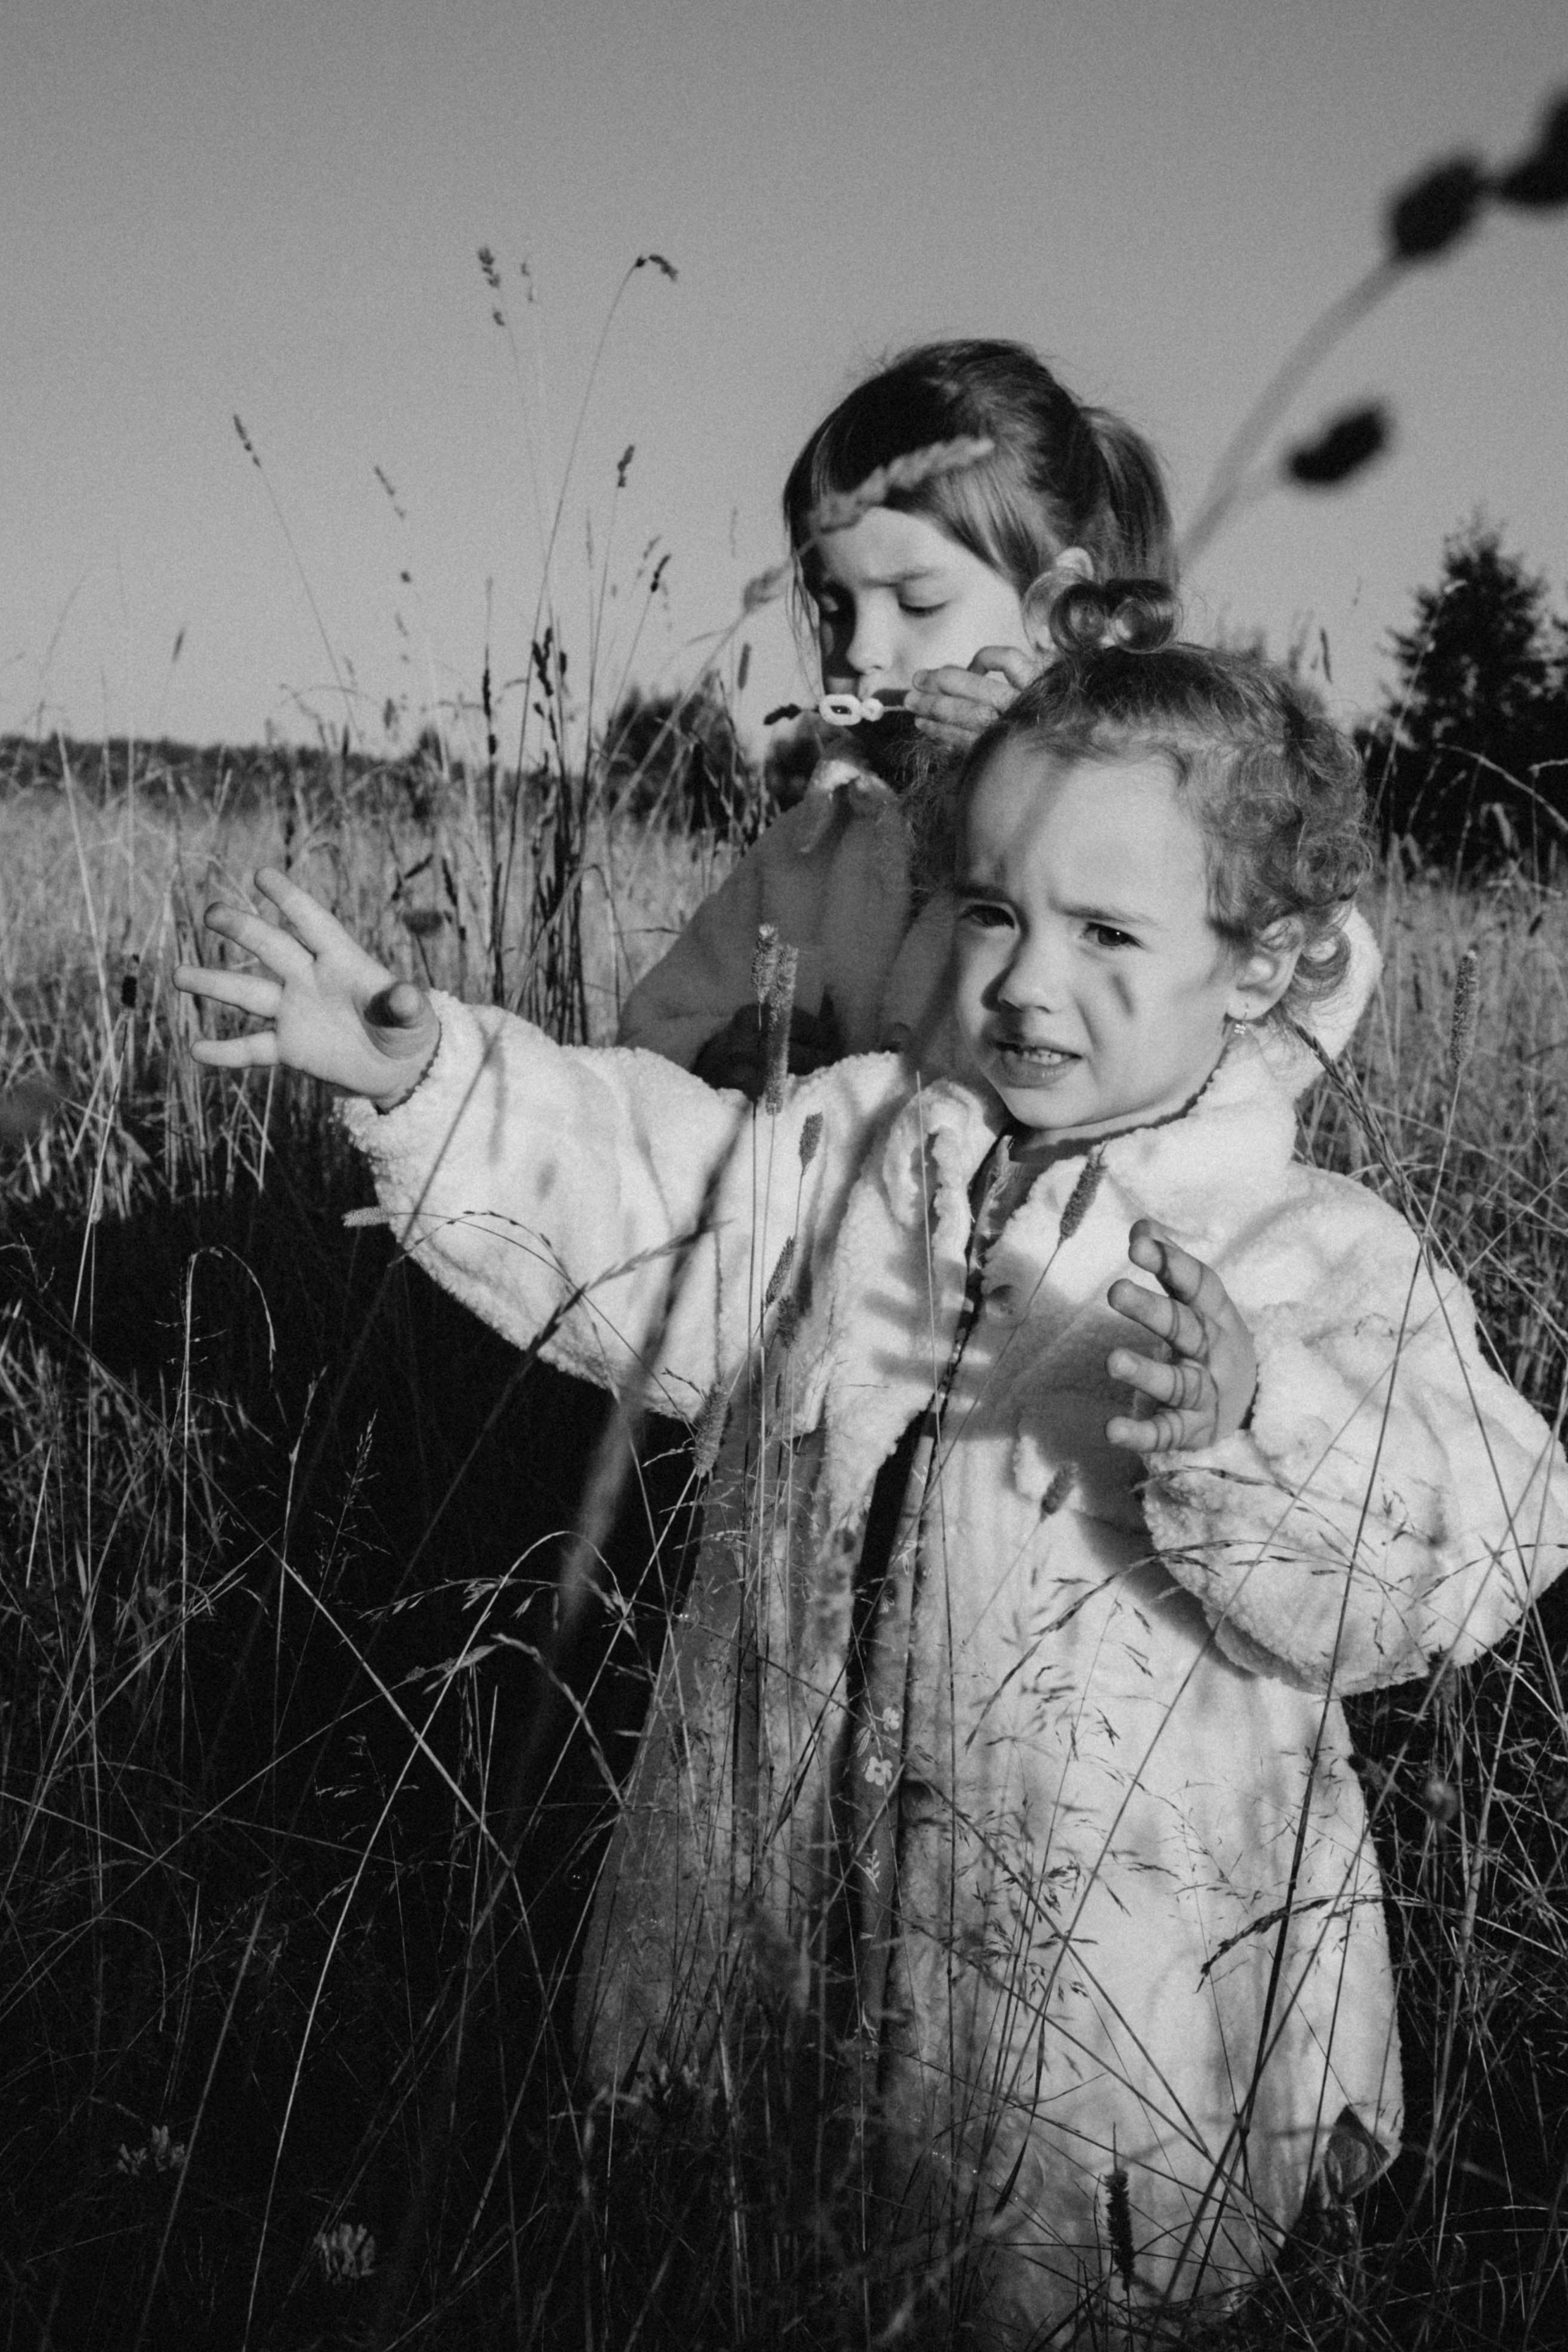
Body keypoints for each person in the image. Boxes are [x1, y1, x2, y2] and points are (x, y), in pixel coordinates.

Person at [173, 590, 1568, 2342]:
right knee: (744, 2247)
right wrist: (438, 1076)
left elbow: (1474, 1528)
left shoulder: (1308, 1254)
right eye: (992, 908)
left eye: (1107, 933)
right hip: (756, 1913)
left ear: (1273, 961)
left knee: (1061, 2269)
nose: (1028, 976)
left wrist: (1250, 1426)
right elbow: (657, 1199)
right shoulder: (859, 1153)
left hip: (1109, 2020)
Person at [616, 338, 1184, 1087]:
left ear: (1054, 607)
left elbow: (1306, 974)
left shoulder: (1161, 801)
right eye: (832, 605)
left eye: (918, 602)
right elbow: (650, 1033)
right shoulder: (804, 855)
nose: (864, 648)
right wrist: (715, 1060)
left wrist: (1048, 780)